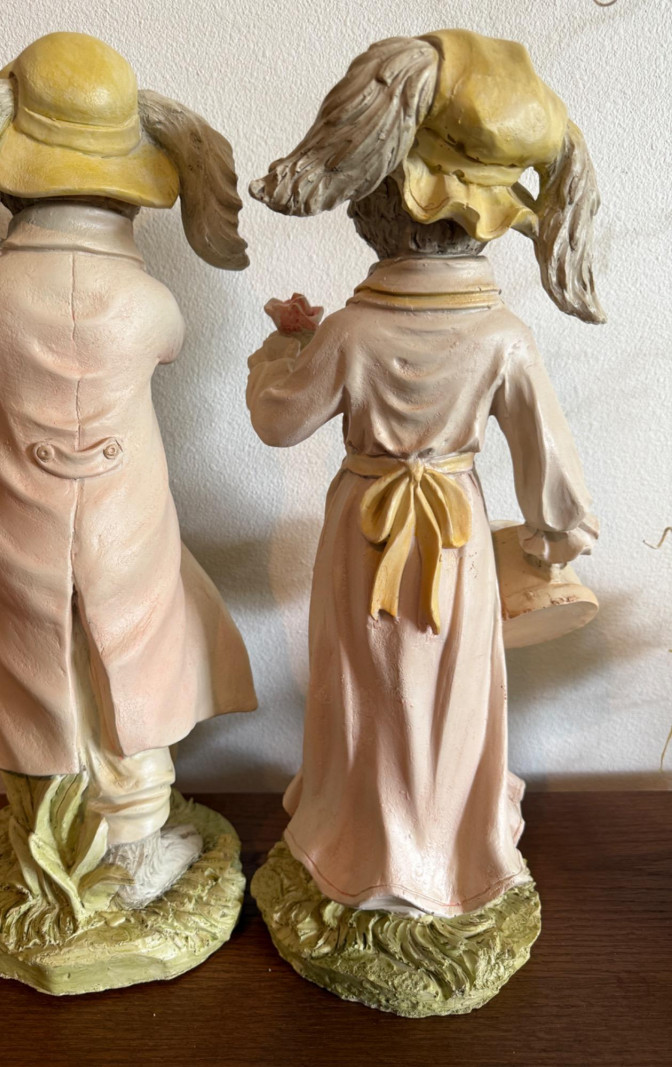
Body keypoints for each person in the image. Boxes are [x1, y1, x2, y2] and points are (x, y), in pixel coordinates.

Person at [247, 29, 601, 917]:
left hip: (364, 527)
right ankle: (443, 848)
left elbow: (278, 420)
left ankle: (364, 840)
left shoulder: (350, 330)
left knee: (366, 686)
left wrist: (282, 348)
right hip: (455, 527)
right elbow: (549, 460)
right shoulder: (502, 335)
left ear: (373, 201)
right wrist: (558, 536)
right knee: (450, 691)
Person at [0, 32, 256, 907]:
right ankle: (130, 835)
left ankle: (57, 824)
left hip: (19, 519)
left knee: (37, 664)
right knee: (130, 656)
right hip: (125, 518)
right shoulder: (150, 302)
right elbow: (167, 352)